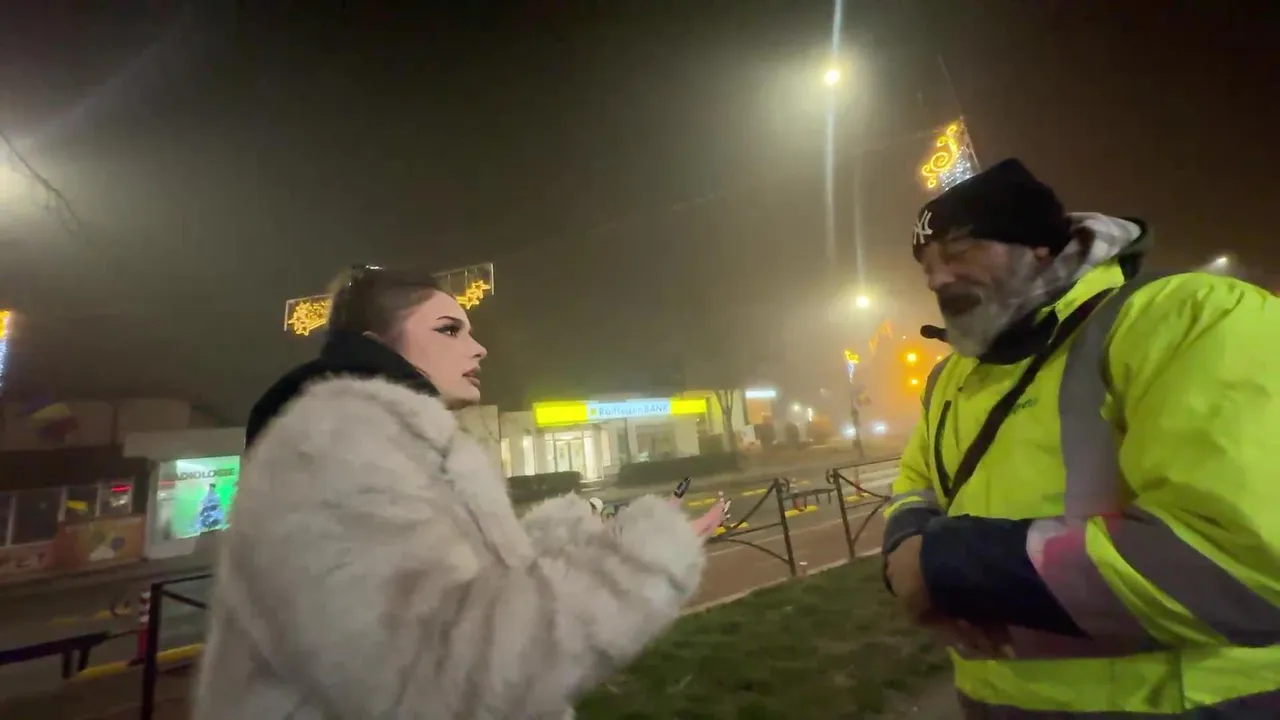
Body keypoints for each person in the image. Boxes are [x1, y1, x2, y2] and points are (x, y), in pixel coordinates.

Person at [195, 264, 726, 719]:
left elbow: (448, 594)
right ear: (376, 345)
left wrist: (579, 540)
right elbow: (439, 681)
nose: (479, 347)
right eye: (450, 330)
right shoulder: (337, 442)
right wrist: (642, 561)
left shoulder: (388, 438)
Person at [881, 159, 1280, 717]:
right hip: (992, 702)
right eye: (926, 265)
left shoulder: (1191, 317)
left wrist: (944, 566)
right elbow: (916, 485)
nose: (936, 279)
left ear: (1038, 247)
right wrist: (906, 546)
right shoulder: (950, 376)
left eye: (959, 251)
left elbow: (1240, 559)